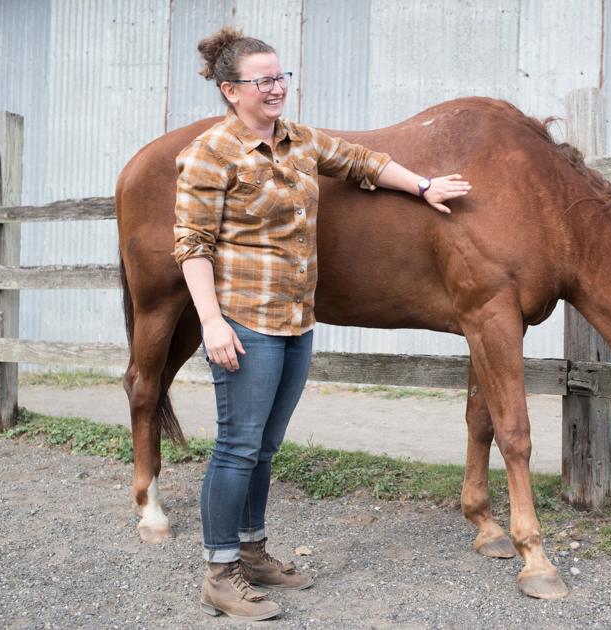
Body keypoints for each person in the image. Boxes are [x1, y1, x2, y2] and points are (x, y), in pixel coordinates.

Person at [172, 27, 471, 621]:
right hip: (244, 322)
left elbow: (363, 162)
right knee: (236, 447)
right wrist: (211, 322)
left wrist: (424, 185)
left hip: (294, 323)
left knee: (265, 447)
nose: (278, 87)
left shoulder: (301, 143)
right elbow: (192, 245)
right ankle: (219, 571)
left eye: (281, 76)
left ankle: (253, 553)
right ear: (232, 91)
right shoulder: (210, 154)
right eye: (264, 80)